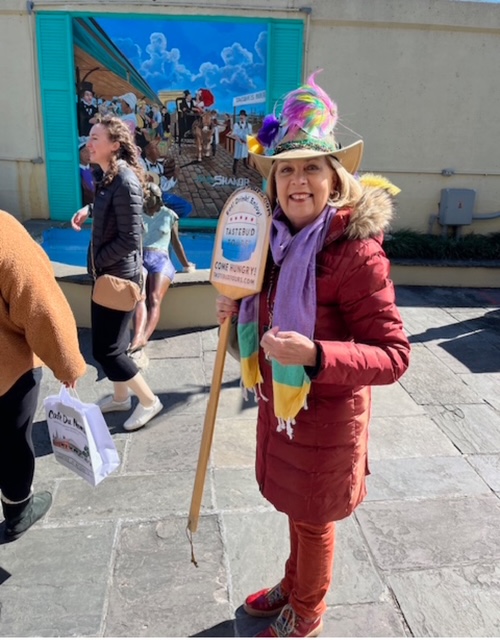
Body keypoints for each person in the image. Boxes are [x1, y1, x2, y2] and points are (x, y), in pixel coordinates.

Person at [215, 72, 411, 637]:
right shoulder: (269, 243)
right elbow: (260, 317)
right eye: (287, 168)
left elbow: (394, 355)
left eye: (311, 167)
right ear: (274, 181)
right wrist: (235, 317)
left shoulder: (357, 253)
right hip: (283, 408)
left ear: (334, 177)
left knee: (316, 520)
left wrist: (317, 353)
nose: (298, 180)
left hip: (327, 419)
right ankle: (292, 582)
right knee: (299, 513)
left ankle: (306, 612)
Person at [71, 115, 162, 432]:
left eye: (95, 138)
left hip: (117, 278)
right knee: (113, 345)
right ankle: (122, 397)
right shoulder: (108, 176)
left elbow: (130, 239)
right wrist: (89, 210)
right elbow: (111, 210)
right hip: (106, 275)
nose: (89, 143)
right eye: (90, 137)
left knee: (106, 351)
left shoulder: (124, 180)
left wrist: (99, 260)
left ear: (114, 145)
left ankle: (149, 401)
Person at [0, 210, 86, 541]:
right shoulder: (5, 233)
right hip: (8, 371)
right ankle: (19, 508)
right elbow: (40, 305)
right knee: (11, 441)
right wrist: (67, 366)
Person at [129, 183, 195, 355]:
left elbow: (176, 242)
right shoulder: (137, 215)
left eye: (148, 196)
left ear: (157, 198)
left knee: (154, 298)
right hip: (141, 259)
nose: (145, 199)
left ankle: (144, 336)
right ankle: (137, 337)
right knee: (140, 297)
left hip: (161, 259)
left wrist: (186, 264)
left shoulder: (170, 215)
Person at [231, 109, 252, 175]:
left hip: (246, 142)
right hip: (239, 142)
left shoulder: (249, 125)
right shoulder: (236, 125)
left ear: (245, 117)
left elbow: (250, 134)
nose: (241, 117)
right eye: (240, 115)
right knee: (237, 155)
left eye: (243, 115)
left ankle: (245, 164)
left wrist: (248, 141)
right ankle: (234, 169)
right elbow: (235, 134)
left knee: (245, 154)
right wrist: (239, 141)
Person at [78, 140, 95, 206]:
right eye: (84, 151)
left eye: (89, 151)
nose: (88, 154)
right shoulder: (77, 172)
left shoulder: (96, 169)